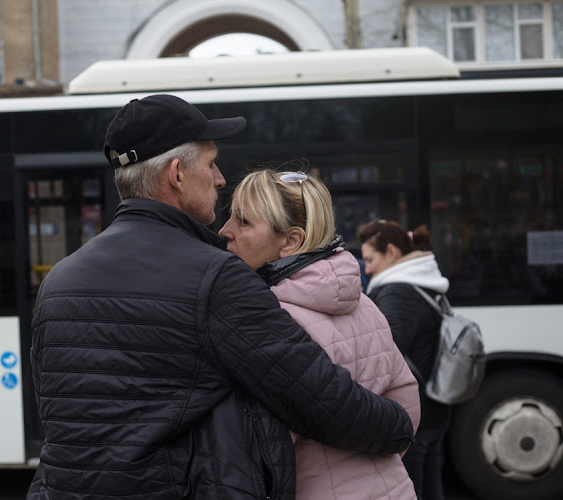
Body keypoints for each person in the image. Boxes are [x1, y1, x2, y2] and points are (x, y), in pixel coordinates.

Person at [27, 94, 414, 500]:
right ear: (177, 174)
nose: (220, 179)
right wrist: (399, 426)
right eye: (210, 164)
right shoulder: (214, 277)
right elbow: (320, 399)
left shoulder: (58, 280)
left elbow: (60, 421)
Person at [219, 169, 420, 499]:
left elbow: (265, 444)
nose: (225, 231)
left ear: (291, 241)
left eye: (243, 222)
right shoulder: (366, 303)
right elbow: (405, 394)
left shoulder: (270, 317)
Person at [358, 219, 451, 500]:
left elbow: (386, 352)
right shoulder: (426, 281)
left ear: (391, 253)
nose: (368, 269)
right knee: (431, 482)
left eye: (370, 259)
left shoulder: (399, 291)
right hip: (435, 401)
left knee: (412, 488)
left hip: (415, 408)